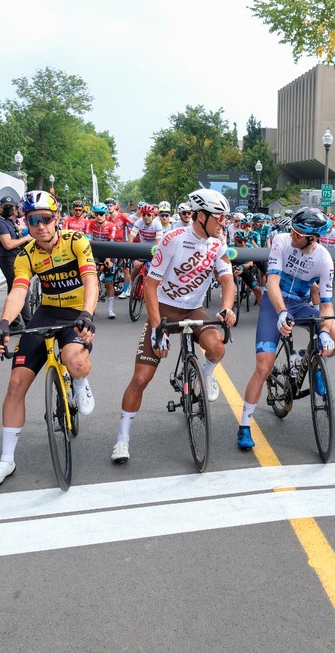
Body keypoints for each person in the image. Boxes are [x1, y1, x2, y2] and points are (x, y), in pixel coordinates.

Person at [110, 188, 236, 464]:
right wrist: (157, 328)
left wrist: (227, 307)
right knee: (141, 378)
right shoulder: (172, 239)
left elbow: (227, 279)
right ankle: (122, 438)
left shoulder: (218, 242)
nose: (223, 223)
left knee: (217, 347)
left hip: (194, 308)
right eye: (219, 218)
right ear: (201, 216)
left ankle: (206, 372)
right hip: (164, 310)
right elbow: (151, 286)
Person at [0, 190, 98, 486]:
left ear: (56, 219)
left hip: (75, 311)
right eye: (33, 221)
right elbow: (19, 290)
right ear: (27, 223)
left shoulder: (76, 241)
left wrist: (87, 312)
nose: (40, 226)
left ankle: (80, 384)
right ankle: (6, 459)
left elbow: (89, 279)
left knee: (75, 361)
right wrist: (4, 322)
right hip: (47, 312)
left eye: (46, 219)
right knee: (15, 383)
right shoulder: (26, 254)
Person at [235, 208, 335, 449]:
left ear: (312, 238)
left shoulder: (324, 259)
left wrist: (325, 332)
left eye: (298, 232)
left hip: (300, 304)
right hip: (274, 303)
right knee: (263, 367)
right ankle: (244, 425)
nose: (292, 234)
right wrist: (281, 311)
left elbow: (326, 305)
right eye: (292, 229)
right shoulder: (281, 241)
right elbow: (272, 282)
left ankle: (315, 363)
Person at [0, 198, 34, 328]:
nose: (9, 209)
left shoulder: (9, 222)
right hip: (9, 259)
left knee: (13, 290)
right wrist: (26, 238)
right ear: (1, 207)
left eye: (11, 206)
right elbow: (8, 244)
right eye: (6, 206)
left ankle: (12, 321)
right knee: (22, 289)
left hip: (16, 258)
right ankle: (29, 322)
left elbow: (17, 235)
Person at [88, 202, 124, 318]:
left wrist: (108, 259)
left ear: (105, 214)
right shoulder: (90, 224)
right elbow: (88, 242)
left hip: (109, 252)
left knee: (109, 283)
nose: (99, 216)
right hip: (95, 252)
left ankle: (110, 310)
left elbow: (110, 243)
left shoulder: (111, 226)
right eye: (97, 214)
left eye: (102, 214)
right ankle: (91, 307)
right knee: (91, 280)